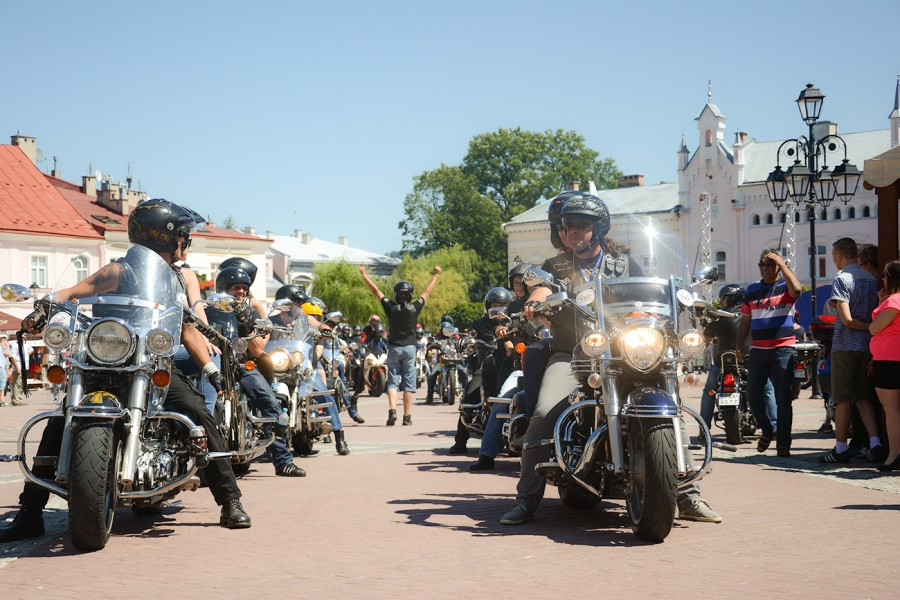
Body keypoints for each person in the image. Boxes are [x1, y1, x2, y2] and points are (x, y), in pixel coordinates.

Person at [0, 199, 251, 542]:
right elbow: (71, 293)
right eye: (182, 235)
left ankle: (230, 500)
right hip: (110, 360)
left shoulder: (176, 278)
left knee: (198, 414)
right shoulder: (122, 270)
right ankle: (30, 513)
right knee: (60, 420)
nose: (186, 242)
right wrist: (46, 305)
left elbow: (187, 329)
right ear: (164, 237)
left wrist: (212, 371)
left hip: (151, 363)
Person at [500, 192, 721, 526]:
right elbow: (542, 289)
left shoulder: (621, 263)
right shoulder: (556, 266)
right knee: (545, 410)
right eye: (568, 225)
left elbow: (649, 295)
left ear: (598, 228)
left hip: (624, 348)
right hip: (575, 352)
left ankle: (688, 497)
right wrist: (535, 301)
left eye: (581, 225)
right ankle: (526, 499)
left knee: (671, 406)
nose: (573, 232)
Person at [212, 267, 308, 475]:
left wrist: (249, 323)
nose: (241, 292)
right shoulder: (210, 308)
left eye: (244, 288)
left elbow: (256, 349)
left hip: (241, 366)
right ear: (224, 288)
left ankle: (283, 461)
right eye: (236, 287)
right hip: (214, 365)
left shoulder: (250, 312)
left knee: (270, 403)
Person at [819, 238, 884, 463]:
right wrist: (872, 329)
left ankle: (840, 448)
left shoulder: (842, 278)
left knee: (843, 398)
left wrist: (866, 326)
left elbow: (846, 320)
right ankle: (875, 442)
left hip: (845, 345)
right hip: (868, 346)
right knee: (863, 396)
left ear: (838, 256)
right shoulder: (871, 278)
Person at [737, 249, 802, 458]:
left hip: (783, 349)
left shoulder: (785, 287)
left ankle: (783, 445)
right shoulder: (752, 290)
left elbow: (798, 290)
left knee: (783, 398)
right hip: (758, 349)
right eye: (761, 264)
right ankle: (767, 429)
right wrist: (739, 345)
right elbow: (745, 320)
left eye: (769, 264)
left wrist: (783, 265)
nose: (764, 268)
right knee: (752, 395)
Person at [359, 266, 441, 426]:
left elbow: (376, 291)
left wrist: (364, 274)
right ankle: (407, 416)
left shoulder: (390, 308)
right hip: (410, 348)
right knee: (409, 384)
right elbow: (427, 292)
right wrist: (436, 275)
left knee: (392, 382)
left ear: (396, 294)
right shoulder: (415, 308)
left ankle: (392, 411)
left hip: (394, 348)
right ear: (410, 294)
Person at [698, 285, 776, 434]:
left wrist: (707, 330)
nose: (721, 301)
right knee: (767, 389)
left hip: (723, 364)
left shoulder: (719, 316)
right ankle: (774, 425)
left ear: (733, 298)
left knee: (709, 391)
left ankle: (703, 428)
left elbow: (706, 340)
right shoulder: (753, 314)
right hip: (749, 361)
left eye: (724, 298)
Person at [869, 260, 900, 471]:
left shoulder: (894, 301)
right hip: (890, 359)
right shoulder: (890, 300)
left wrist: (882, 304)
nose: (882, 280)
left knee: (891, 409)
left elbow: (874, 328)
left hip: (890, 360)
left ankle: (894, 454)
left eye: (885, 276)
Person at [0, 333, 9, 406]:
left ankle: (2, 400)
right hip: (1, 367)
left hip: (3, 366)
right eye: (3, 339)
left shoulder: (2, 348)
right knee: (2, 384)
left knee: (2, 384)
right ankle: (1, 400)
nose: (5, 341)